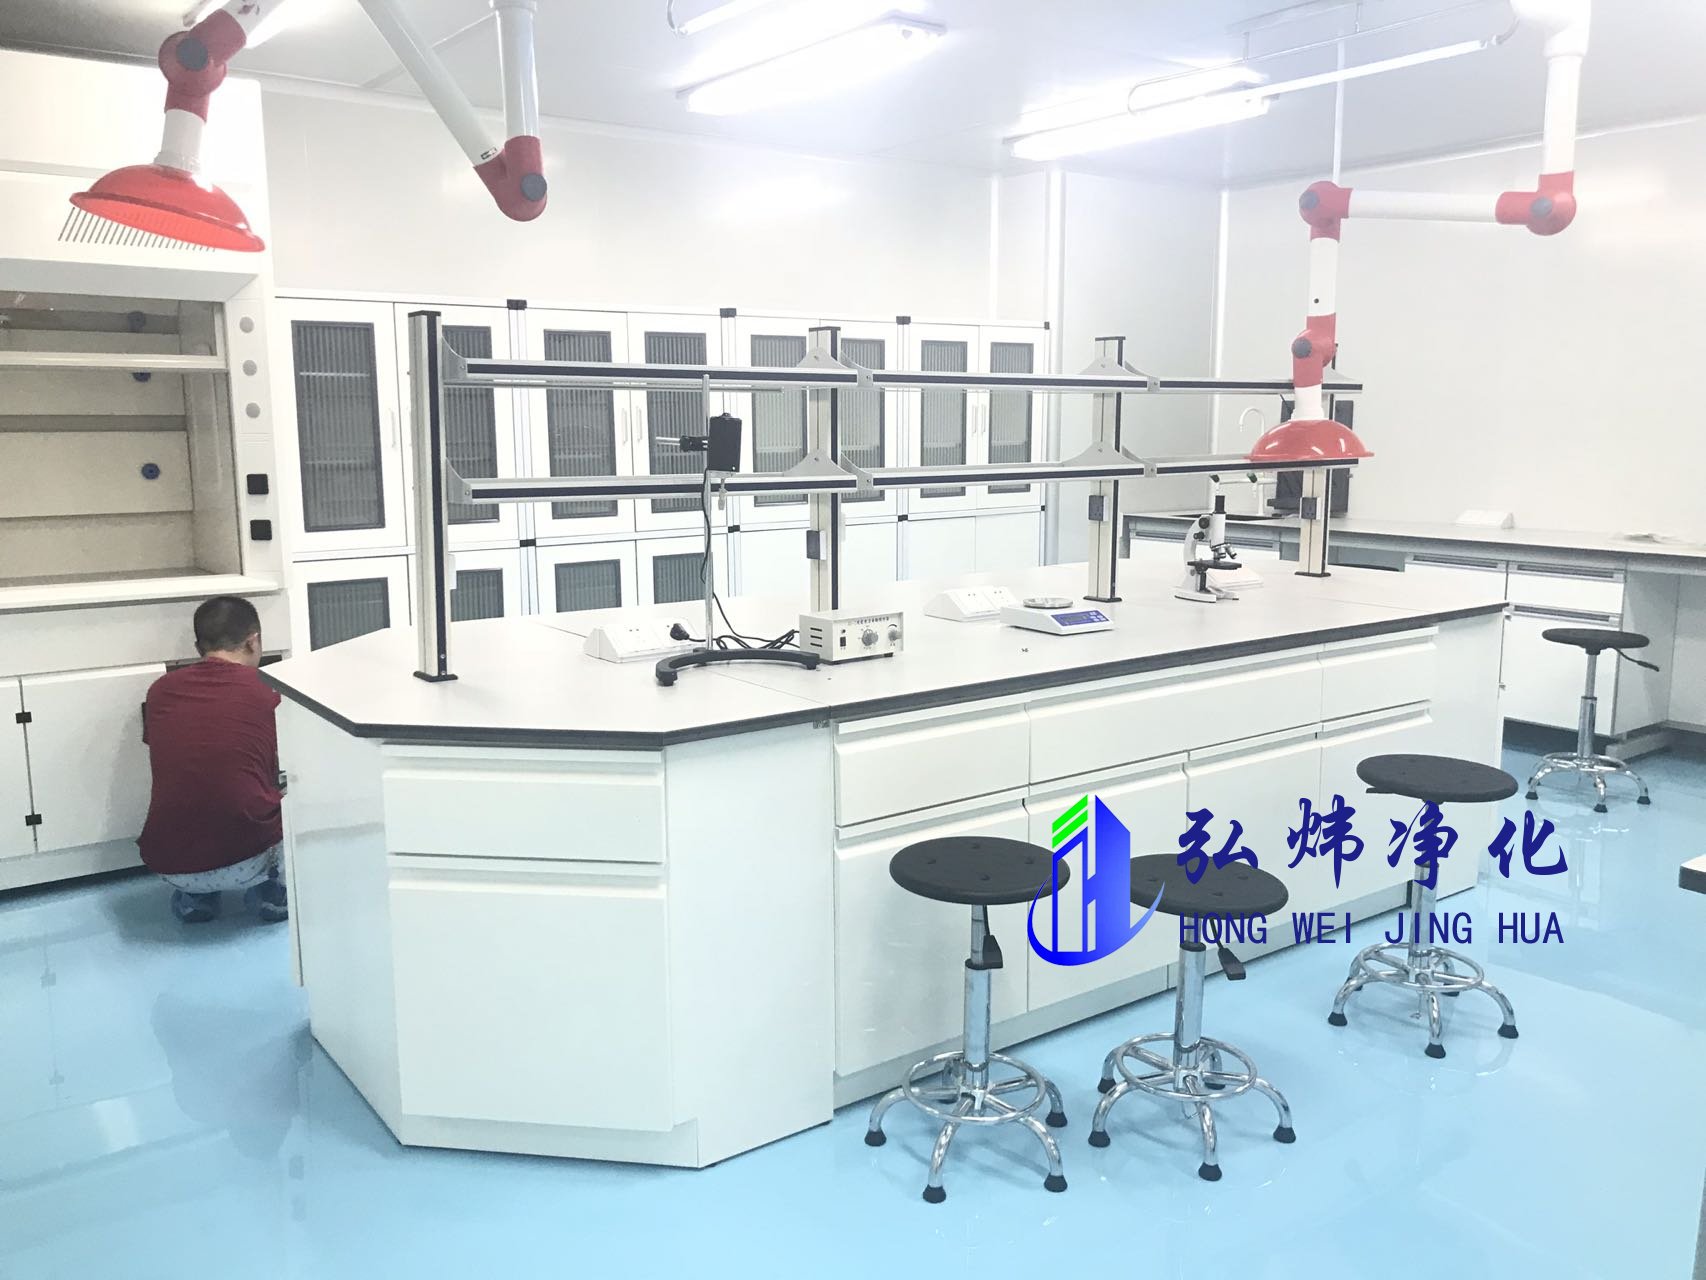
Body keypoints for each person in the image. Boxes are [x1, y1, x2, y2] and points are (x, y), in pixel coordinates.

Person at [139, 596, 287, 925]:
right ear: (253, 641)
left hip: (169, 863)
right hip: (250, 860)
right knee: (298, 789)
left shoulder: (160, 691)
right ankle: (272, 894)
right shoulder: (269, 692)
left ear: (198, 647)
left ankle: (196, 898)